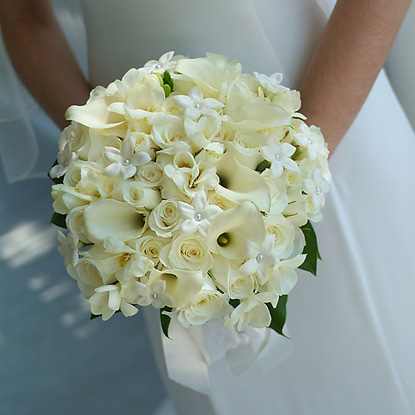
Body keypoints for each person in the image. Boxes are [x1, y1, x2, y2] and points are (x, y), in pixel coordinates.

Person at [1, 0, 414, 414]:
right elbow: (24, 18)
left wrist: (294, 168)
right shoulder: (138, 191)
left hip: (330, 102)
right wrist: (104, 162)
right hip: (144, 176)